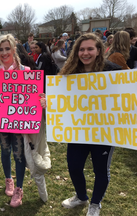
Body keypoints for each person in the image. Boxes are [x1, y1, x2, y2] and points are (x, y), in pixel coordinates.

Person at [40, 33, 121, 216]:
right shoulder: (70, 73)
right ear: (76, 52)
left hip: (104, 132)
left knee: (101, 169)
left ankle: (95, 204)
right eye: (81, 49)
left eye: (90, 49)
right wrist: (49, 101)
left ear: (98, 50)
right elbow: (60, 99)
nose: (85, 53)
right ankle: (81, 196)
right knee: (74, 166)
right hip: (78, 131)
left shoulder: (113, 72)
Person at [0, 34, 31, 207]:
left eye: (8, 48)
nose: (4, 52)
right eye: (1, 49)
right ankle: (9, 179)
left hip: (19, 122)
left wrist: (41, 100)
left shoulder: (25, 71)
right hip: (2, 121)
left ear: (14, 50)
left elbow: (33, 96)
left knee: (19, 154)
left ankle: (19, 189)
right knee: (5, 150)